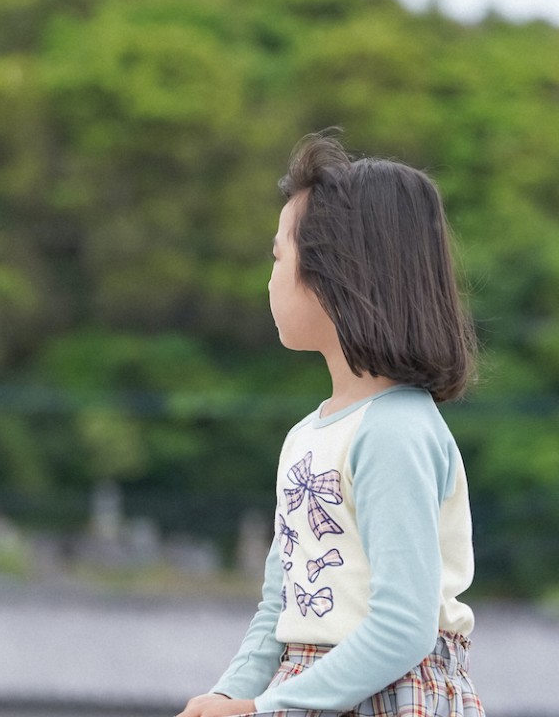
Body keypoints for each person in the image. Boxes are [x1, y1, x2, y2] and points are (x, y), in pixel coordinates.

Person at [178, 133, 484, 717]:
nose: (269, 280)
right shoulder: (306, 437)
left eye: (277, 258)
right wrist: (227, 695)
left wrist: (267, 709)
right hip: (308, 689)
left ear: (332, 272)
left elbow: (402, 628)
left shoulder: (395, 432)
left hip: (391, 692)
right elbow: (279, 611)